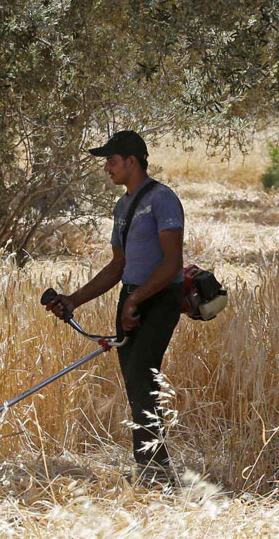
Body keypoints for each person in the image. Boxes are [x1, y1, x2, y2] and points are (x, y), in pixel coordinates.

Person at [45, 130, 185, 480]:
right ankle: (151, 466)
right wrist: (73, 300)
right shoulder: (122, 205)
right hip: (131, 297)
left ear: (131, 162)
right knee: (135, 381)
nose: (106, 167)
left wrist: (136, 300)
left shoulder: (163, 200)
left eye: (111, 160)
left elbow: (172, 264)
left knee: (141, 374)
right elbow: (118, 265)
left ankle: (155, 469)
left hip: (159, 297)